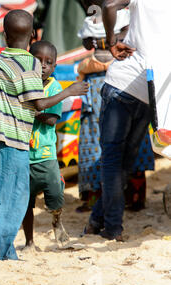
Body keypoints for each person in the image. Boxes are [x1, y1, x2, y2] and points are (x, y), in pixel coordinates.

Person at [0, 10, 88, 260]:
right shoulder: (31, 64)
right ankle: (4, 250)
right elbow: (38, 104)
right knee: (15, 196)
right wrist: (70, 92)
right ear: (33, 36)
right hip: (15, 138)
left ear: (3, 36)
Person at [82, 0, 170, 241]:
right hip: (151, 96)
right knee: (123, 165)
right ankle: (101, 223)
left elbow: (109, 4)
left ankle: (108, 225)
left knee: (113, 162)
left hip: (121, 83)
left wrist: (111, 42)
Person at [76, 0, 154, 213]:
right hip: (123, 84)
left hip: (111, 84)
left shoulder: (110, 18)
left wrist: (93, 63)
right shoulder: (123, 19)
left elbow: (90, 49)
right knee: (127, 142)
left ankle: (103, 203)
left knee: (103, 143)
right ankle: (130, 199)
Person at [22, 40, 89, 250]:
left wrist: (31, 109)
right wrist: (37, 109)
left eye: (48, 62)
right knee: (26, 202)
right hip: (23, 154)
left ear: (54, 67)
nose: (43, 65)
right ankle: (29, 241)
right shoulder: (24, 84)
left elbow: (51, 119)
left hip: (45, 154)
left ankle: (57, 221)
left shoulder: (55, 87)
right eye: (38, 60)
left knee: (55, 194)